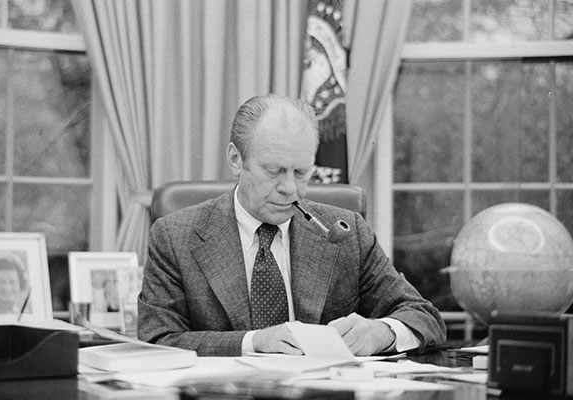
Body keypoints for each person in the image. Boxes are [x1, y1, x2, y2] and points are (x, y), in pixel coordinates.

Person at [138, 94, 446, 356]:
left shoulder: (347, 232)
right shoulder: (175, 236)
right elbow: (158, 339)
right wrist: (254, 341)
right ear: (236, 159)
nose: (290, 188)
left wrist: (382, 332)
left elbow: (425, 318)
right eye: (274, 170)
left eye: (301, 172)